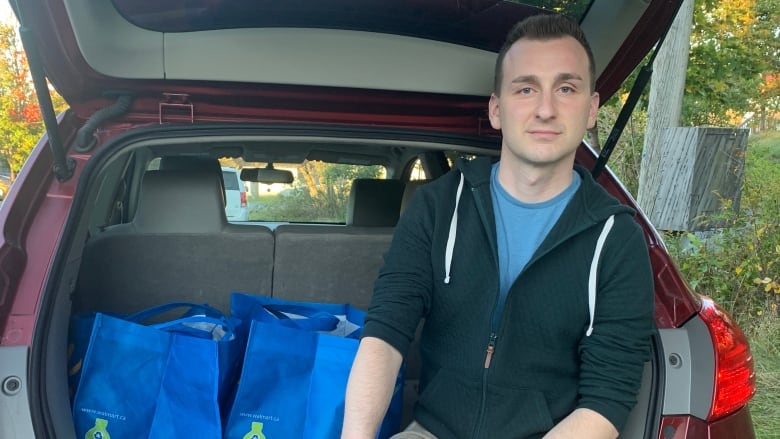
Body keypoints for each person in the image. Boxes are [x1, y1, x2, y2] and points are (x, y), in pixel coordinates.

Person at [342, 13, 654, 439]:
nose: (545, 109)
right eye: (526, 88)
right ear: (496, 109)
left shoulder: (617, 239)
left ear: (592, 109)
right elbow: (385, 335)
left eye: (566, 88)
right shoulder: (436, 207)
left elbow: (607, 400)